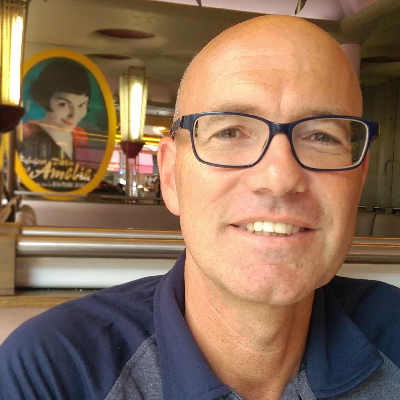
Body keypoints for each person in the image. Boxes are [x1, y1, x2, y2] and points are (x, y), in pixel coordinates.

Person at [1, 15, 400, 400]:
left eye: (321, 137)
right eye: (230, 132)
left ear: (359, 178)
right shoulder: (53, 373)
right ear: (171, 176)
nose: (279, 177)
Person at [18, 59, 97, 190]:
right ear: (45, 99)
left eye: (81, 105)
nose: (74, 115)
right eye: (63, 104)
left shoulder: (80, 135)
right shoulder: (25, 133)